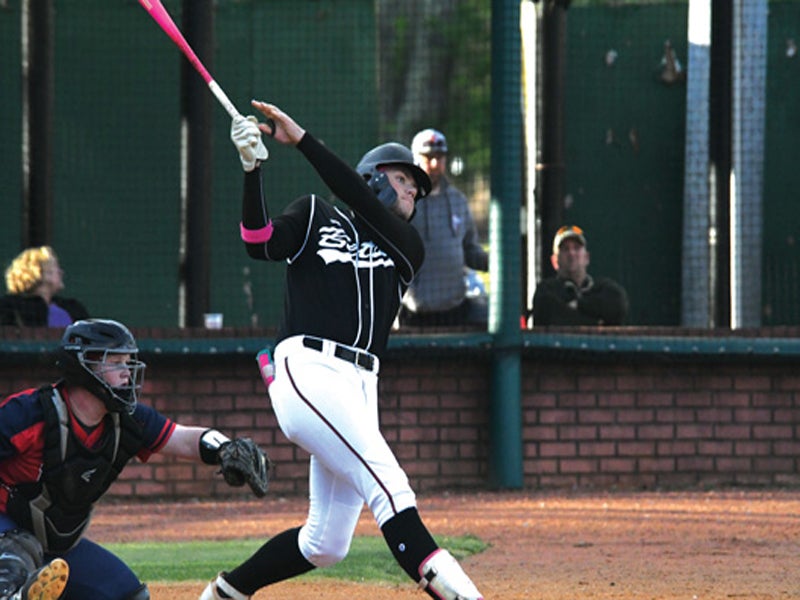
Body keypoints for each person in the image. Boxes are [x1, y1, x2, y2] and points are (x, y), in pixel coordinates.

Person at [199, 102, 484, 600]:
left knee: (326, 543)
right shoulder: (314, 213)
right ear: (374, 177)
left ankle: (225, 593)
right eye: (402, 180)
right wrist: (252, 170)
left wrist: (304, 139)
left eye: (416, 188)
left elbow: (360, 198)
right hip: (309, 369)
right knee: (391, 487)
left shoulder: (406, 246)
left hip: (360, 385)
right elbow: (258, 240)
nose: (413, 191)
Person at [0, 318, 269, 600]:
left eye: (128, 362)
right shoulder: (29, 413)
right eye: (115, 362)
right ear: (83, 365)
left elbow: (182, 439)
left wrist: (225, 449)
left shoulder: (127, 420)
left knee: (129, 596)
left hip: (58, 544)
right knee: (16, 556)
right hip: (8, 531)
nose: (127, 373)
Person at [397, 128, 489, 327]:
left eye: (440, 157)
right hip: (415, 312)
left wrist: (493, 261)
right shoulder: (404, 201)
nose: (434, 164)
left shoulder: (458, 201)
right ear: (415, 159)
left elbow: (470, 250)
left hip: (455, 310)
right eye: (428, 157)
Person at [531, 225, 629, 326]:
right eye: (565, 249)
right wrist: (596, 322)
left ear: (587, 257)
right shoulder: (546, 290)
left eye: (577, 248)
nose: (571, 253)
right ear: (555, 260)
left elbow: (618, 306)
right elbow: (551, 317)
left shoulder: (606, 289)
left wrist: (578, 305)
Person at [0, 247, 89, 327]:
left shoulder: (73, 309)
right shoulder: (9, 308)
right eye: (56, 267)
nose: (61, 272)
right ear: (39, 273)